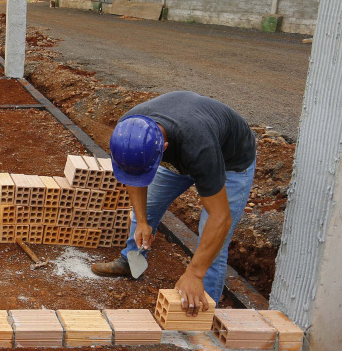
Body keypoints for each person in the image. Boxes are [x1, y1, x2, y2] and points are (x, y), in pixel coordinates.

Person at [91, 91, 256, 317]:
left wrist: (194, 274)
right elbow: (133, 174)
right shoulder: (129, 133)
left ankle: (199, 314)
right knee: (145, 213)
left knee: (212, 241)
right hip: (189, 146)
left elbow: (221, 218)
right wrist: (141, 221)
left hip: (229, 161)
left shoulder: (200, 147)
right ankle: (131, 261)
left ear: (163, 149)